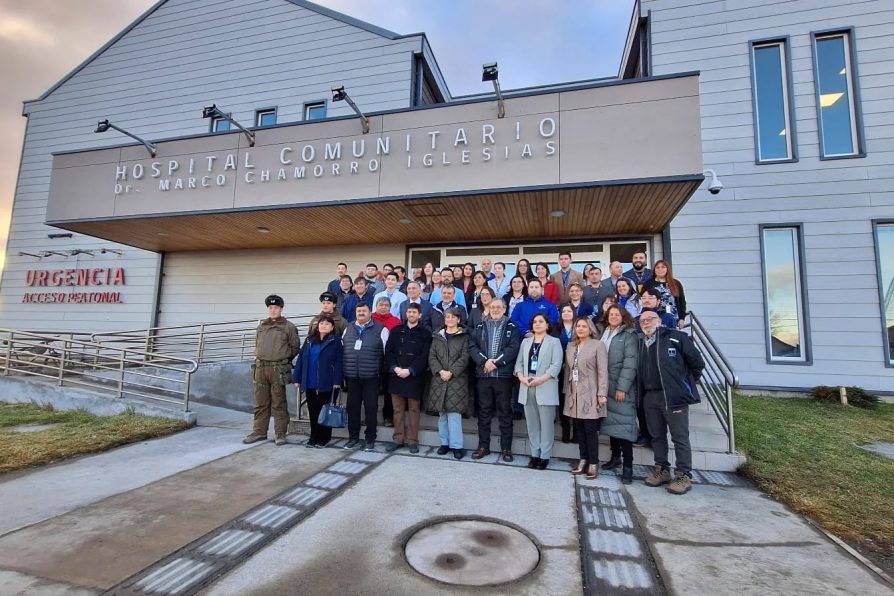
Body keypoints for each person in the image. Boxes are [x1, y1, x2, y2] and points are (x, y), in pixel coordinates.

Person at [638, 311, 705, 495]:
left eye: (650, 319)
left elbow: (697, 362)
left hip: (673, 396)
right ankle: (662, 470)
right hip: (650, 396)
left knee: (679, 437)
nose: (646, 323)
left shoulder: (676, 337)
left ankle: (684, 475)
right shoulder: (640, 342)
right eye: (642, 321)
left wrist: (683, 383)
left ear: (660, 321)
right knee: (656, 436)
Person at [243, 295, 301, 446]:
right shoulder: (262, 326)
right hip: (261, 368)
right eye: (270, 308)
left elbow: (295, 347)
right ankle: (259, 432)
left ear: (281, 309)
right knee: (260, 402)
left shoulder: (288, 327)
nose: (273, 310)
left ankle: (280, 433)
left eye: (276, 308)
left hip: (278, 369)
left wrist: (282, 358)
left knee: (279, 402)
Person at [470, 298, 521, 462]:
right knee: (484, 413)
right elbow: (472, 346)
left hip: (503, 377)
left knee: (505, 413)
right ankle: (483, 446)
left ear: (505, 308)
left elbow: (513, 348)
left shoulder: (512, 327)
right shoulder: (480, 325)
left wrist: (496, 363)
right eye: (492, 307)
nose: (495, 309)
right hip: (483, 376)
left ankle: (506, 448)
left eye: (498, 307)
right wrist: (485, 361)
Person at [598, 305, 640, 484]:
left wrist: (622, 387)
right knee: (611, 423)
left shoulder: (628, 335)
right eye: (611, 314)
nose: (613, 317)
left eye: (617, 314)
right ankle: (615, 458)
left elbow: (631, 363)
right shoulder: (604, 332)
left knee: (623, 426)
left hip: (621, 387)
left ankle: (628, 466)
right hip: (606, 385)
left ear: (623, 317)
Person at [515, 313, 563, 469]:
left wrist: (540, 379)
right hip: (527, 385)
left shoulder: (554, 342)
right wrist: (522, 378)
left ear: (547, 325)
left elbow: (556, 365)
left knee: (546, 425)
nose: (537, 324)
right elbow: (519, 364)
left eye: (541, 321)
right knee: (532, 424)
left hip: (545, 386)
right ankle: (534, 454)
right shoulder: (526, 342)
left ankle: (545, 456)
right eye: (534, 322)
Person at [564, 317, 608, 480]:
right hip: (574, 392)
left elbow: (603, 371)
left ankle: (593, 463)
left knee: (590, 430)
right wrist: (566, 392)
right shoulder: (571, 346)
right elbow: (568, 371)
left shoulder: (598, 345)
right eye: (578, 326)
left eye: (584, 326)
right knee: (579, 429)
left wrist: (602, 393)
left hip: (591, 392)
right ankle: (583, 459)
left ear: (590, 329)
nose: (580, 329)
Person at [385, 303, 432, 453]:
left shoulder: (425, 333)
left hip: (414, 377)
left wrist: (410, 370)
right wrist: (395, 368)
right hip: (396, 374)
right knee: (397, 410)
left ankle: (412, 441)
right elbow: (389, 352)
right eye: (409, 312)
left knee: (413, 409)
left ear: (420, 315)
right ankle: (398, 439)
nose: (411, 314)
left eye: (414, 312)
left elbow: (425, 356)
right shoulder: (396, 330)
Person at [342, 303, 389, 451]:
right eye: (358, 311)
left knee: (371, 408)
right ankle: (353, 438)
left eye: (364, 311)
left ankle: (370, 438)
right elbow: (342, 350)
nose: (361, 313)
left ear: (370, 312)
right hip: (352, 377)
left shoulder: (381, 329)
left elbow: (386, 353)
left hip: (371, 377)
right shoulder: (348, 328)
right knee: (353, 408)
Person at [292, 315, 343, 448]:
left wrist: (337, 380)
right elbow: (301, 359)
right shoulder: (309, 340)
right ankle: (313, 437)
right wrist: (296, 378)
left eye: (327, 324)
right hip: (310, 382)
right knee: (313, 412)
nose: (323, 326)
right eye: (321, 323)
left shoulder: (336, 341)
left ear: (332, 327)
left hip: (327, 382)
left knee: (325, 412)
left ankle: (324, 438)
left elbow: (339, 362)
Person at [428, 307, 470, 460]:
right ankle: (444, 443)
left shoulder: (464, 336)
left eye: (453, 317)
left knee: (454, 415)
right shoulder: (437, 336)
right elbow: (432, 356)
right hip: (439, 379)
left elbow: (465, 357)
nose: (449, 319)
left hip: (456, 379)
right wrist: (440, 371)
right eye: (447, 317)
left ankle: (457, 446)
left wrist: (451, 372)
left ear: (458, 319)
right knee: (442, 414)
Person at [551, 303, 576, 443]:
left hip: (578, 369)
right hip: (560, 369)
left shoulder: (579, 326)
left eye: (569, 311)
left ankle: (577, 432)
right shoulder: (556, 328)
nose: (566, 313)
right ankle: (565, 428)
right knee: (563, 399)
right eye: (563, 311)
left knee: (577, 398)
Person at [642, 259, 688, 330]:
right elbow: (643, 301)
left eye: (663, 267)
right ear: (654, 270)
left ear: (667, 269)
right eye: (657, 267)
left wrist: (682, 318)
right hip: (653, 319)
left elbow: (682, 302)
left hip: (673, 319)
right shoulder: (648, 284)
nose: (660, 269)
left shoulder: (676, 283)